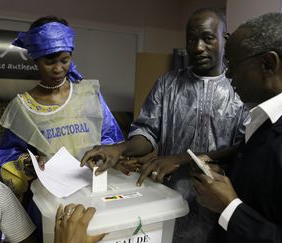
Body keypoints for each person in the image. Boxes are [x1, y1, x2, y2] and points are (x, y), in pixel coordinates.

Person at [81, 8, 248, 243]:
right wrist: (119, 149)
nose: (198, 47)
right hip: (170, 199)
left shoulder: (241, 88)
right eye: (191, 39)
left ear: (225, 39)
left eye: (208, 38)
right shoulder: (168, 84)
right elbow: (147, 133)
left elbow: (244, 148)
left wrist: (180, 158)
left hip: (219, 206)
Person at [191, 12, 282, 243]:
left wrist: (229, 208)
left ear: (268, 64)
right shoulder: (271, 112)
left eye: (232, 64)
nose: (227, 74)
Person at [0, 15, 124, 196]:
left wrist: (106, 155)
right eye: (49, 62)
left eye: (64, 60)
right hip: (51, 196)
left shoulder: (88, 94)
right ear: (35, 59)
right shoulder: (22, 107)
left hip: (94, 189)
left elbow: (110, 137)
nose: (58, 69)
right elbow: (9, 156)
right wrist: (29, 163)